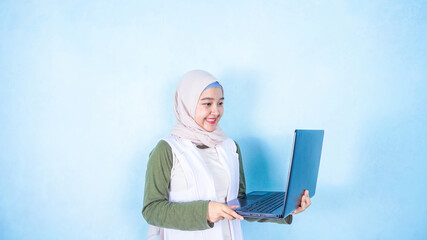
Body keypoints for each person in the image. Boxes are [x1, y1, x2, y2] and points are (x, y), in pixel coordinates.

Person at [142, 70, 311, 240]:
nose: (215, 111)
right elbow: (152, 210)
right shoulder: (167, 149)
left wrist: (285, 209)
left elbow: (239, 205)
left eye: (220, 103)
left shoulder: (230, 147)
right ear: (187, 104)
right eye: (207, 104)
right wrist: (205, 211)